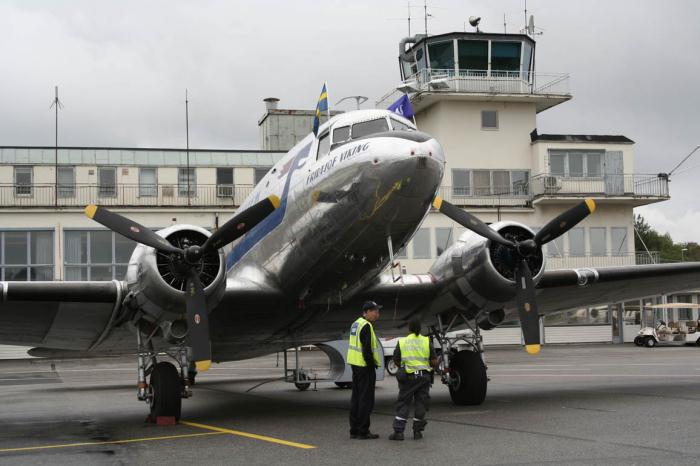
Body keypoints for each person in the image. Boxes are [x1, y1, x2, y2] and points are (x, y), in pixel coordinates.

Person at [388, 319, 438, 441]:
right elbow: (433, 361)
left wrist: (404, 368)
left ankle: (399, 432)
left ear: (409, 329)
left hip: (408, 377)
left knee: (404, 402)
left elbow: (396, 359)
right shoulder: (426, 341)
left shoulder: (403, 342)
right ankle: (417, 432)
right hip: (423, 377)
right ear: (420, 329)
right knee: (421, 403)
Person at [347, 300, 382, 440]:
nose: (377, 314)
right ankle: (363, 431)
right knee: (366, 399)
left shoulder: (355, 324)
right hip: (364, 366)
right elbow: (367, 349)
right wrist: (371, 363)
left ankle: (354, 429)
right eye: (375, 311)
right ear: (366, 312)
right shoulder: (366, 326)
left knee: (356, 398)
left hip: (355, 365)